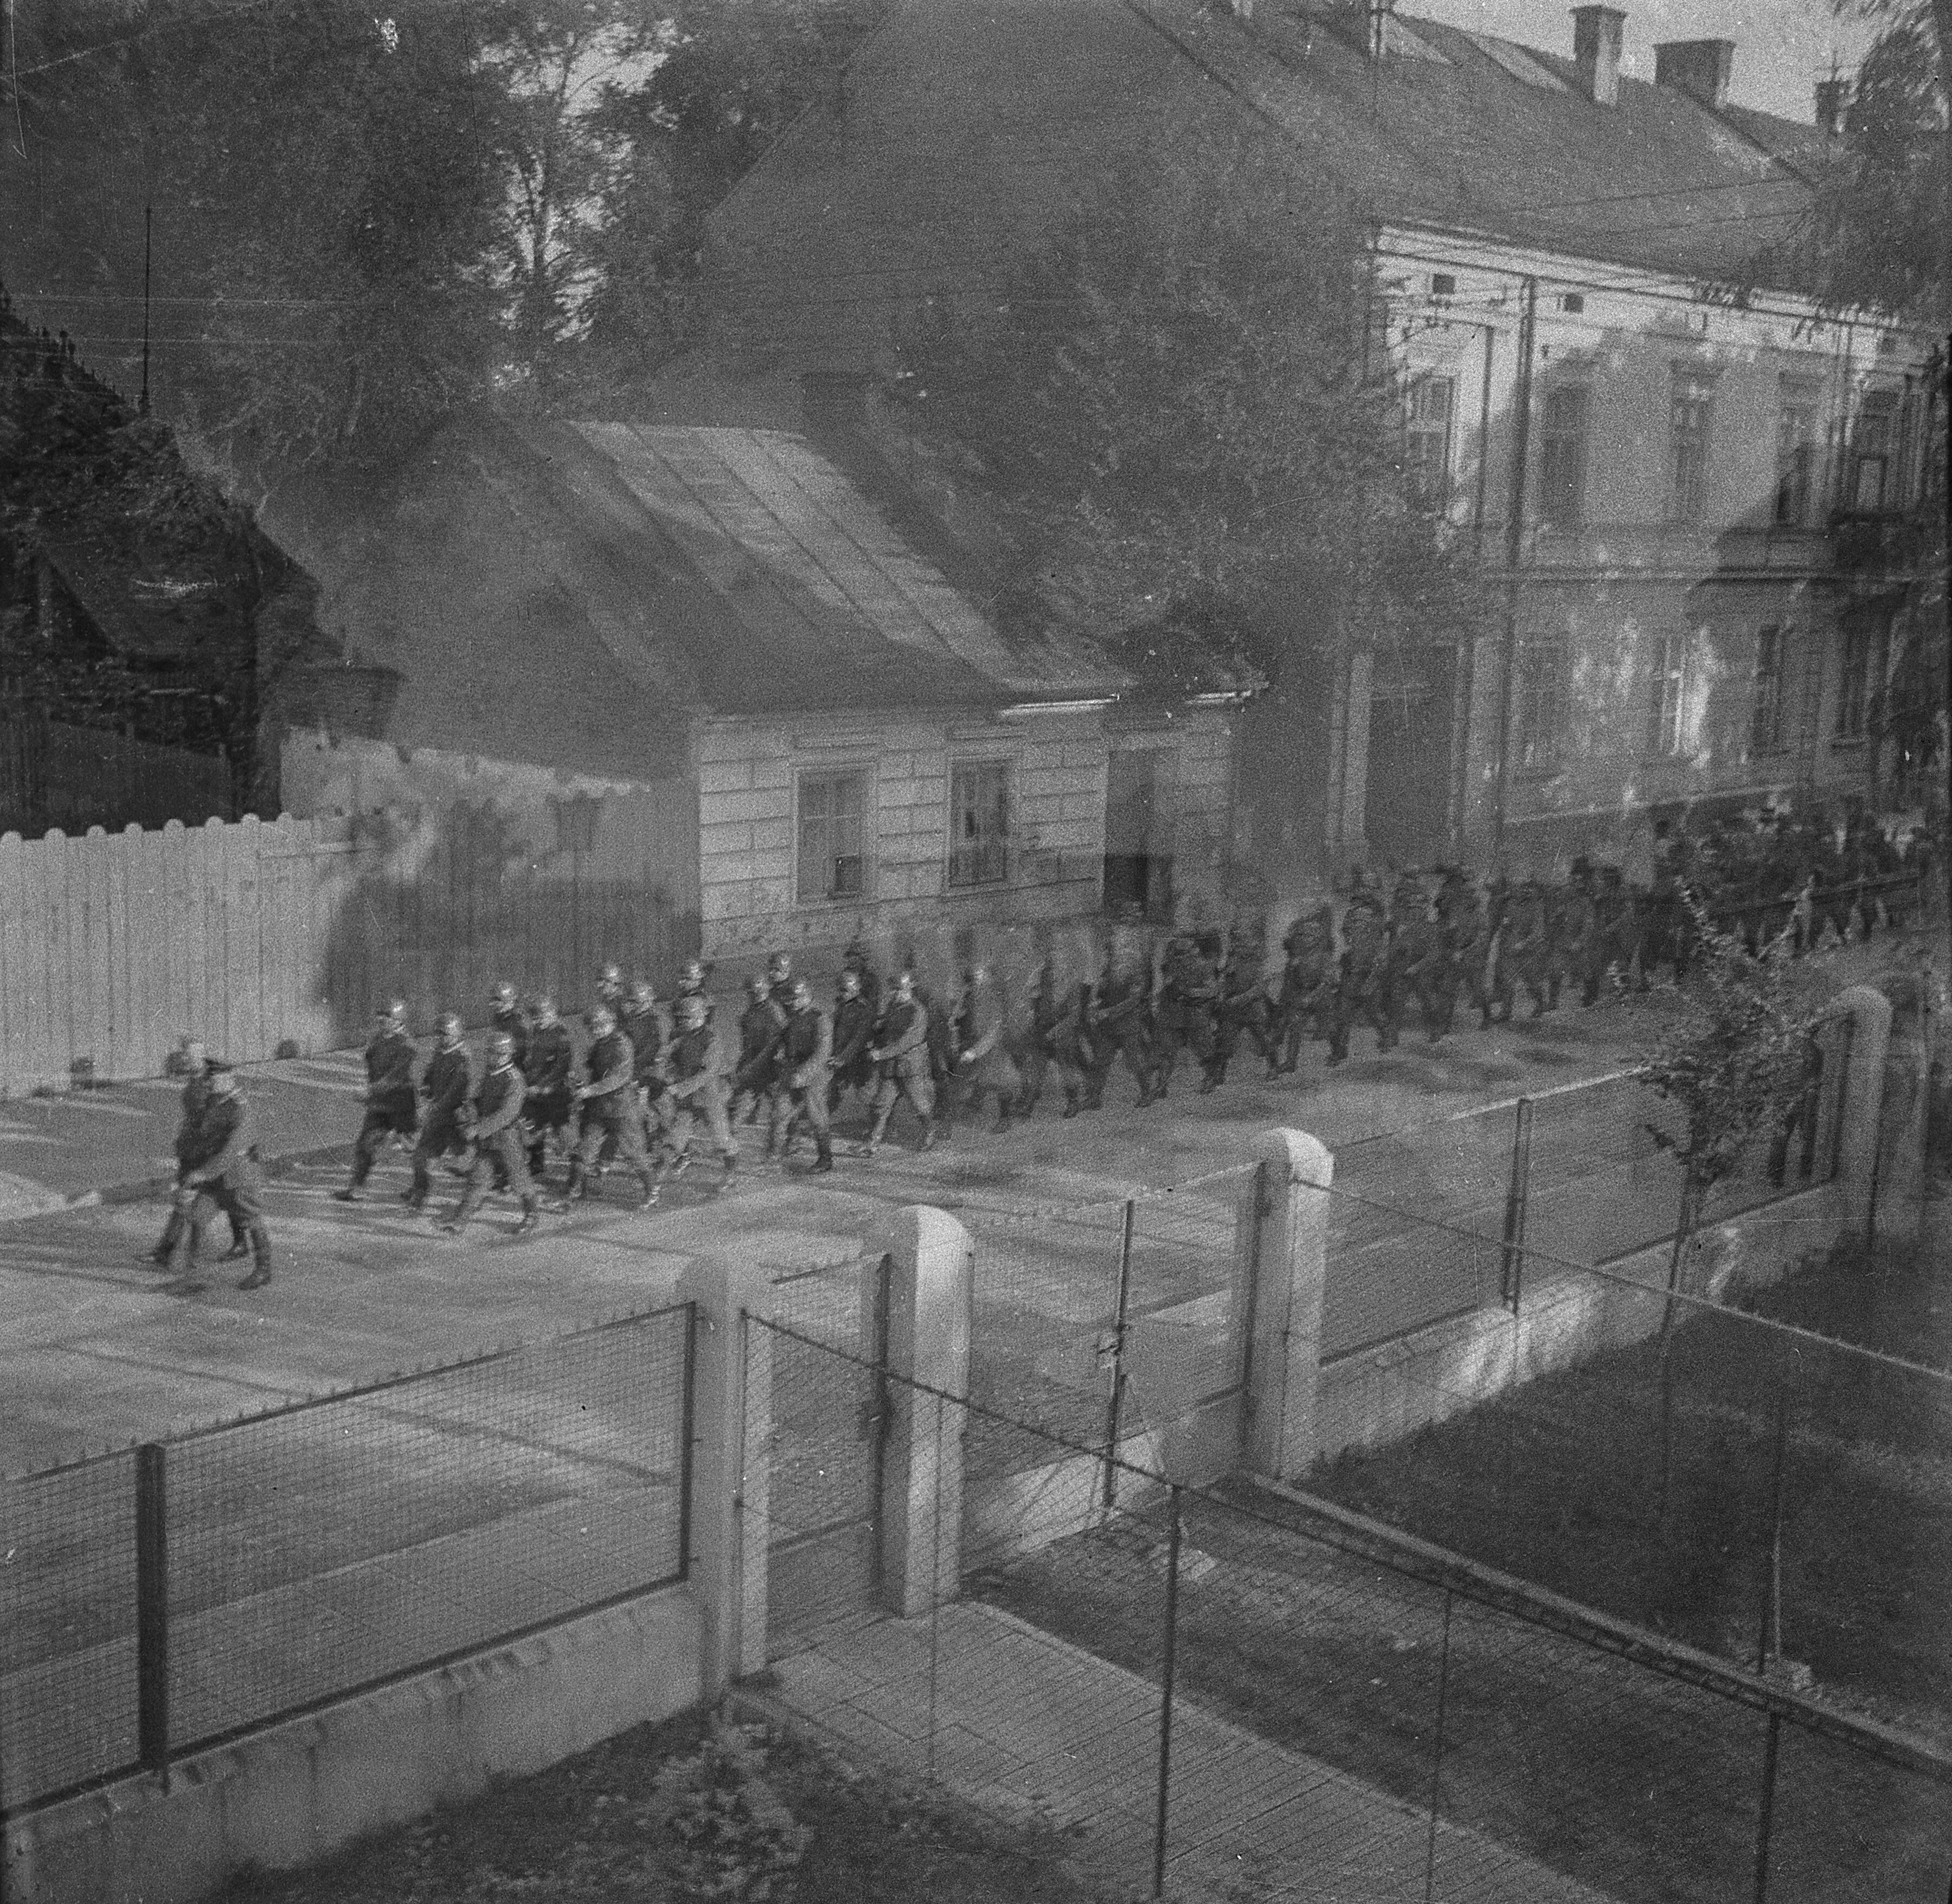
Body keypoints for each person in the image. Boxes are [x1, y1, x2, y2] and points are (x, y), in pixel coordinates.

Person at [169, 1063, 272, 1292]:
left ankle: (264, 1270)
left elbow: (228, 1152)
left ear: (230, 1079)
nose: (211, 1084)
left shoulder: (240, 1110)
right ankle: (193, 1277)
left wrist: (201, 1173)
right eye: (210, 1080)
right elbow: (202, 1139)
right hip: (216, 1180)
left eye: (215, 1080)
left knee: (251, 1221)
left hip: (239, 1178)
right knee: (196, 1217)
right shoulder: (216, 1102)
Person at [146, 1039, 249, 1265]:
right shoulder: (197, 1079)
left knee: (216, 1200)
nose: (188, 1059)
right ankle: (168, 1252)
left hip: (205, 1153)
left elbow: (212, 1122)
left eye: (192, 1055)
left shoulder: (212, 1082)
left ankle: (189, 1256)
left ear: (202, 1055)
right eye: (185, 1055)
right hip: (194, 1149)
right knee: (191, 1201)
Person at [440, 1033, 545, 1235]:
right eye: (492, 1053)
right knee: (478, 1179)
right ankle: (459, 1221)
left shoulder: (515, 1080)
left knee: (519, 1181)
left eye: (501, 1054)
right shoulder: (491, 1074)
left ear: (509, 1055)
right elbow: (482, 1099)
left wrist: (477, 1129)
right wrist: (470, 1106)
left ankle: (532, 1215)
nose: (496, 1058)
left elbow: (507, 1114)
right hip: (490, 1141)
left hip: (508, 1140)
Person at [565, 1005, 656, 1207]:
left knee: (632, 1151)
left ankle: (651, 1188)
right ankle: (574, 1188)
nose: (597, 1031)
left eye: (601, 1026)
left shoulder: (622, 1044)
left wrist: (590, 1090)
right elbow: (590, 1067)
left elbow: (618, 1078)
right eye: (593, 1028)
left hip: (620, 1108)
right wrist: (577, 1078)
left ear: (611, 1023)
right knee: (585, 1147)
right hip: (598, 1108)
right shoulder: (600, 1044)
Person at [334, 1000, 419, 1201]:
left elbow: (395, 1076)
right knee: (365, 1145)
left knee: (414, 1150)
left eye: (386, 1016)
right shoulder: (378, 1038)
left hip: (401, 1105)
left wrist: (369, 1091)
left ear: (398, 1020)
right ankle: (356, 1188)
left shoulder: (407, 1045)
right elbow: (371, 1064)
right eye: (380, 1015)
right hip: (380, 1105)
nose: (381, 1020)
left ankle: (420, 1188)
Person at [657, 992, 739, 1192]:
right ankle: (657, 1177)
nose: (682, 1022)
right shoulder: (679, 1037)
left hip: (710, 1096)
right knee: (676, 1135)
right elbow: (667, 1059)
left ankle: (730, 1173)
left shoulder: (712, 1039)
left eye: (687, 1018)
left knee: (721, 1138)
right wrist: (668, 1076)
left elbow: (708, 1072)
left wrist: (682, 1088)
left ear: (700, 1018)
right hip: (687, 1099)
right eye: (681, 1018)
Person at [405, 1013, 474, 1209]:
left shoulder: (462, 1058)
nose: (440, 1038)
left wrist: (434, 1107)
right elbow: (430, 1073)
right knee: (421, 1156)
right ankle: (420, 1192)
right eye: (439, 1034)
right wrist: (425, 1089)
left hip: (454, 1118)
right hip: (438, 1117)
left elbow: (456, 1090)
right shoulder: (440, 1051)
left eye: (444, 1034)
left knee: (469, 1163)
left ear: (455, 1034)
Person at [864, 969, 935, 1154]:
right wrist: (877, 1026)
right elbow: (886, 1026)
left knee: (919, 1104)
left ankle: (930, 1133)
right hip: (891, 1067)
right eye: (892, 990)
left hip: (909, 1067)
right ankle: (873, 1145)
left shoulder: (917, 1011)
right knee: (881, 1104)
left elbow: (906, 1042)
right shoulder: (893, 1006)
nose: (892, 993)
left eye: (896, 990)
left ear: (908, 989)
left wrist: (881, 1054)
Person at [770, 977, 835, 1171]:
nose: (794, 1002)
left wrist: (804, 1075)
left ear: (809, 997)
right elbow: (783, 1043)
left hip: (813, 1074)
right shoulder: (792, 1019)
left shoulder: (821, 1019)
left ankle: (825, 1158)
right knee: (780, 1112)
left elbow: (822, 1053)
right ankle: (774, 1155)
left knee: (817, 1117)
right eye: (792, 999)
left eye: (799, 998)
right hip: (792, 1072)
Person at [953, 963, 1022, 1134]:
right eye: (976, 977)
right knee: (982, 1080)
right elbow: (960, 1018)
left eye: (980, 976)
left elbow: (994, 1031)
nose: (977, 980)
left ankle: (1006, 1119)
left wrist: (975, 1051)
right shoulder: (974, 998)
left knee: (1000, 1084)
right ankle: (972, 1108)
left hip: (994, 1049)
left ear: (987, 979)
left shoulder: (993, 999)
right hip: (980, 1048)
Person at [1021, 961, 1093, 1120]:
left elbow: (1073, 1017)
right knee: (1036, 1071)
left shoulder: (1072, 988)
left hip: (1062, 1036)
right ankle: (1028, 1106)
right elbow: (1033, 1008)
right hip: (1042, 1035)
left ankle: (1073, 1102)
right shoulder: (1041, 985)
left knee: (1066, 1070)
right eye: (1049, 976)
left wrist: (1054, 1032)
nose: (1052, 978)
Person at [521, 994, 576, 1182]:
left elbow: (561, 1067)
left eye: (541, 1016)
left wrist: (542, 1086)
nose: (537, 1021)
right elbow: (530, 1060)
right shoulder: (535, 1031)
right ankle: (537, 1164)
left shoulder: (562, 1035)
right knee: (532, 1128)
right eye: (535, 1018)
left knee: (563, 1132)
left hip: (555, 1093)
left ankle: (579, 1172)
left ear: (553, 1014)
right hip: (535, 1093)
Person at [730, 973, 788, 1128]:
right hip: (756, 1059)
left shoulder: (774, 1010)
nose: (753, 996)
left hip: (772, 1060)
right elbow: (747, 1042)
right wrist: (745, 1062)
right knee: (747, 1094)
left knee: (778, 1102)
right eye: (751, 993)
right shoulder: (750, 1012)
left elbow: (780, 1039)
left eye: (755, 993)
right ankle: (740, 1124)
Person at [827, 967, 878, 1125]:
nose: (843, 994)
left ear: (857, 988)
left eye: (846, 990)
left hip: (859, 1059)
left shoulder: (865, 1009)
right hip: (841, 1057)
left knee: (866, 1095)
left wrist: (843, 1058)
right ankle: (821, 1124)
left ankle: (876, 1127)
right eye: (841, 990)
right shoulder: (842, 1006)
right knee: (832, 1091)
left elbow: (859, 1039)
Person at [489, 982, 530, 1075]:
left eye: (498, 1001)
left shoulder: (519, 1020)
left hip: (518, 1060)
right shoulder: (499, 1016)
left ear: (509, 1001)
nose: (493, 1005)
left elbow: (524, 1047)